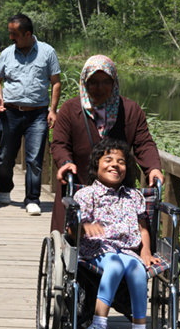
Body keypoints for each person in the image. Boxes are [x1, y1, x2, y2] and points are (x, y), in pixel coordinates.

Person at [50, 54, 164, 233]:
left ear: (114, 82)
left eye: (106, 82)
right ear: (84, 83)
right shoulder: (70, 110)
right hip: (80, 186)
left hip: (119, 194)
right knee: (72, 239)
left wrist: (153, 168)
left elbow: (144, 144)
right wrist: (65, 162)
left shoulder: (131, 111)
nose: (100, 88)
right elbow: (59, 144)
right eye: (93, 82)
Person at [73, 138, 158, 329]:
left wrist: (146, 251)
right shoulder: (86, 194)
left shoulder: (134, 196)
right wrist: (84, 228)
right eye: (108, 159)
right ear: (96, 165)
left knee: (138, 268)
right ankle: (98, 325)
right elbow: (71, 229)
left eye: (121, 161)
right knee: (115, 264)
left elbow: (143, 228)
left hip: (127, 249)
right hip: (96, 249)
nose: (115, 164)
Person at [0, 14, 61, 216]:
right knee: (5, 156)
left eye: (14, 34)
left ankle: (32, 199)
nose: (11, 38)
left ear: (28, 34)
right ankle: (4, 190)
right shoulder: (7, 53)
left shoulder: (47, 52)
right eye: (10, 33)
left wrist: (53, 110)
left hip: (38, 114)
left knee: (34, 159)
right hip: (10, 112)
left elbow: (56, 82)